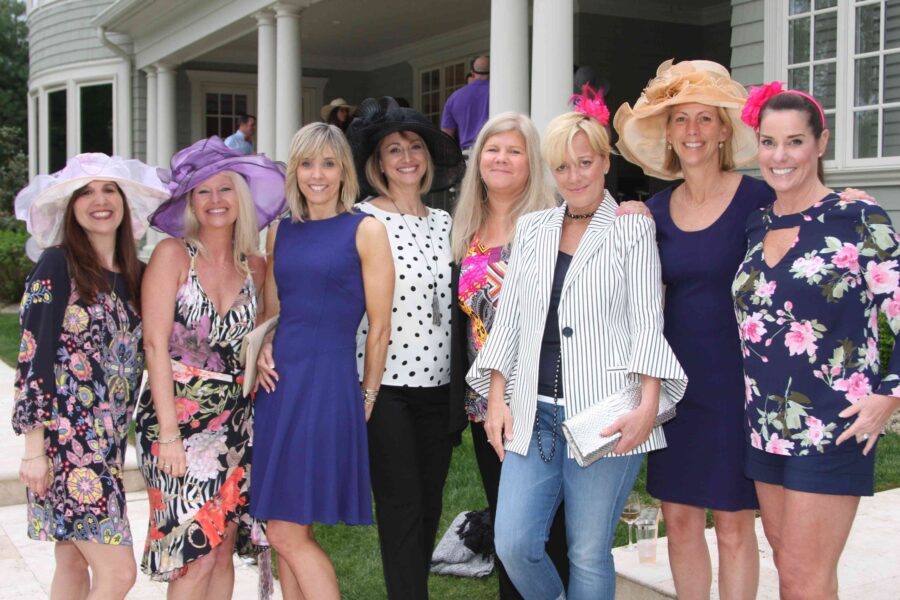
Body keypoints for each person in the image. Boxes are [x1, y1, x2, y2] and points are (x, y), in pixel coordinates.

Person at [466, 89, 688, 600]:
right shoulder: (534, 228)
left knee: (588, 552)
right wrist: (497, 397)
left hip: (606, 414)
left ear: (605, 161)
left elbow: (646, 321)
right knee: (515, 542)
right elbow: (512, 320)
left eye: (585, 163)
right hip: (532, 412)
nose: (575, 176)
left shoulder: (631, 227)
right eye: (563, 167)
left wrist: (647, 407)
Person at [732, 84, 900, 600]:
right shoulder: (757, 225)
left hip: (834, 421)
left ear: (820, 143)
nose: (779, 156)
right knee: (789, 568)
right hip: (765, 425)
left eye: (795, 141)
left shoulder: (858, 217)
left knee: (805, 578)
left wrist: (889, 395)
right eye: (768, 142)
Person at [613, 59, 765, 600]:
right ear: (668, 133)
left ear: (725, 129)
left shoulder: (757, 202)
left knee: (732, 524)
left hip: (735, 386)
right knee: (678, 518)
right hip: (672, 388)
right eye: (681, 120)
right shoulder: (651, 212)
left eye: (705, 119)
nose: (693, 132)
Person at [13, 153, 168, 599]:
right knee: (118, 575)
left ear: (124, 202)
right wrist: (33, 448)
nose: (99, 201)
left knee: (73, 559)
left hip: (109, 445)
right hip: (68, 448)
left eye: (109, 190)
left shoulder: (135, 274)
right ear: (71, 207)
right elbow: (32, 359)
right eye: (85, 192)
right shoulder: (56, 265)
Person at [136, 136, 285, 599]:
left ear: (240, 197)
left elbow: (267, 330)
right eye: (203, 191)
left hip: (238, 423)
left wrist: (266, 348)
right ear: (190, 201)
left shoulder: (257, 267)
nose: (215, 201)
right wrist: (168, 435)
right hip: (177, 419)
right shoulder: (172, 256)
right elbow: (155, 346)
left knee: (221, 549)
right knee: (193, 555)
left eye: (225, 189)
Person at [251, 122, 394, 600]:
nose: (317, 174)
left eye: (328, 164)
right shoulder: (280, 232)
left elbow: (379, 327)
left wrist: (368, 394)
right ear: (295, 170)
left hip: (327, 385)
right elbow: (272, 312)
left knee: (286, 533)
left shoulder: (367, 229)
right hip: (277, 388)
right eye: (308, 163)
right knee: (287, 526)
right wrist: (266, 343)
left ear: (343, 171)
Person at [346, 96, 464, 599]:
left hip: (441, 387)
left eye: (415, 146)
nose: (407, 157)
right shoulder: (360, 220)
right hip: (385, 387)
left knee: (431, 503)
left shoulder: (447, 222)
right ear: (378, 163)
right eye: (394, 149)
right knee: (402, 508)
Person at [449, 111, 568, 599]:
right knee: (506, 526)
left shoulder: (551, 223)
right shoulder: (465, 230)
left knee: (546, 530)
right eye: (492, 149)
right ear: (478, 161)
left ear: (530, 162)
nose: (501, 158)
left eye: (514, 150)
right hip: (486, 406)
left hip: (541, 399)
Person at [441, 55, 490, 152]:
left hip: (467, 153)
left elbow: (446, 135)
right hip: (491, 150)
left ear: (472, 73)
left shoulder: (454, 97)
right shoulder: (498, 91)